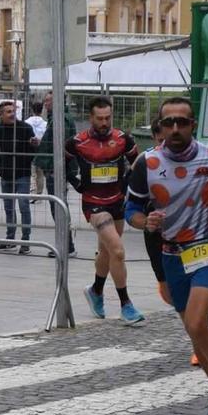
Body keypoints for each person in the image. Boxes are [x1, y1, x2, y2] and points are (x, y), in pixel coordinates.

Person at [127, 96, 208, 415]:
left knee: (196, 321)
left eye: (182, 122)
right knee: (194, 331)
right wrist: (145, 223)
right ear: (160, 127)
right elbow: (131, 212)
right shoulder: (146, 164)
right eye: (169, 123)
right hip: (173, 256)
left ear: (193, 125)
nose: (175, 128)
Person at [68, 95, 145, 325]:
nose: (104, 122)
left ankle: (96, 291)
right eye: (100, 118)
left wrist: (128, 182)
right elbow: (58, 164)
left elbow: (138, 162)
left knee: (107, 250)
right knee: (118, 250)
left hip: (117, 200)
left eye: (108, 118)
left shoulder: (123, 139)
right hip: (94, 203)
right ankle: (126, 305)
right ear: (91, 118)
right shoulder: (77, 141)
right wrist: (75, 182)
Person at [0, 99, 39, 251]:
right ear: (1, 114)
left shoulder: (25, 128)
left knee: (23, 205)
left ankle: (26, 241)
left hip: (22, 173)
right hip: (6, 173)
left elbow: (33, 149)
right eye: (8, 112)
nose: (12, 114)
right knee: (9, 207)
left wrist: (26, 161)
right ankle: (10, 239)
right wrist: (0, 163)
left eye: (13, 111)